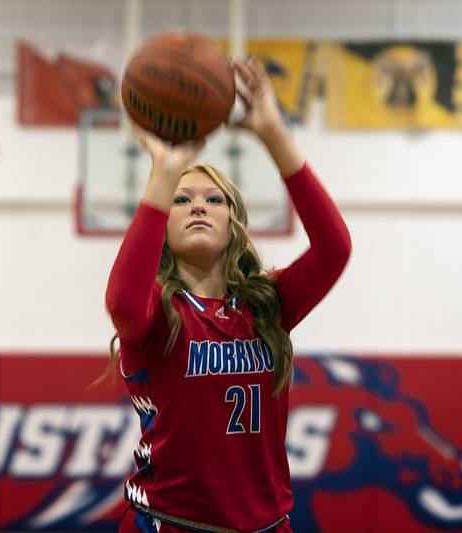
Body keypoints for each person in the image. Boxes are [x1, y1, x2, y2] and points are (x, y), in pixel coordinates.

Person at [105, 57, 352, 533]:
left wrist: (273, 135)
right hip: (170, 524)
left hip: (266, 525)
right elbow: (120, 303)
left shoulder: (267, 305)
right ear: (162, 221)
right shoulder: (157, 312)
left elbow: (335, 248)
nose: (198, 203)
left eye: (213, 199)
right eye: (182, 198)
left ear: (233, 224)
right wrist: (163, 170)